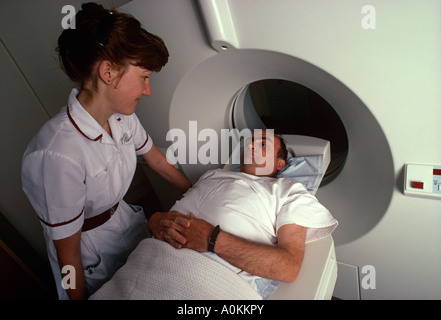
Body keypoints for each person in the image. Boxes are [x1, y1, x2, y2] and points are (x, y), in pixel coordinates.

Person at [21, 2, 191, 300]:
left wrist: (197, 196)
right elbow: (68, 254)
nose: (147, 90)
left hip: (124, 220)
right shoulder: (56, 155)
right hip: (88, 254)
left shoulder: (122, 117)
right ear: (108, 72)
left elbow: (158, 162)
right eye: (144, 77)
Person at [149, 131, 337, 299]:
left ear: (280, 163)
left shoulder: (288, 191)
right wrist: (155, 219)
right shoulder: (212, 175)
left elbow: (288, 266)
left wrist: (211, 239)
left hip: (203, 285)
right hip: (148, 261)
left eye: (263, 144)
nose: (251, 145)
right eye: (250, 142)